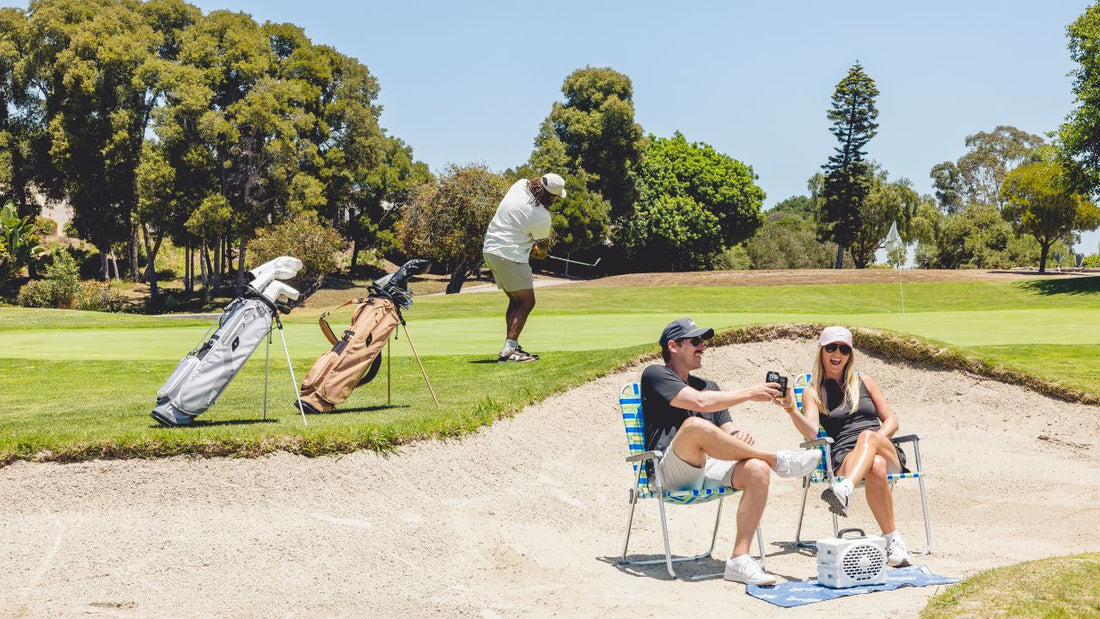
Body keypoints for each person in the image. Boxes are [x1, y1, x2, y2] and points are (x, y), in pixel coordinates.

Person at [641, 318, 823, 586]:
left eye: (703, 341)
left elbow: (729, 430)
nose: (703, 346)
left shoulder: (710, 386)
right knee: (694, 425)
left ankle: (739, 559)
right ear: (673, 346)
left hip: (707, 466)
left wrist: (740, 436)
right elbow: (699, 403)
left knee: (757, 470)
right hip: (668, 472)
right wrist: (749, 393)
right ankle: (776, 459)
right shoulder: (655, 374)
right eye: (695, 341)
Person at [787, 326, 911, 568]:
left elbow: (892, 421)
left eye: (844, 349)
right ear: (821, 351)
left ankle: (844, 489)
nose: (837, 353)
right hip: (846, 457)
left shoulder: (865, 381)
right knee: (874, 466)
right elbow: (811, 432)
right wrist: (790, 409)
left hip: (886, 449)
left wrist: (875, 440)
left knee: (869, 438)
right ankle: (893, 542)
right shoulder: (813, 392)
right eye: (831, 347)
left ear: (850, 355)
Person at [482, 173, 563, 362]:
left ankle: (512, 346)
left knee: (516, 301)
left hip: (491, 251)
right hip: (509, 256)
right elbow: (542, 245)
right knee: (527, 302)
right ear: (552, 196)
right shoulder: (542, 216)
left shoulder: (520, 185)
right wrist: (540, 252)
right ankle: (509, 350)